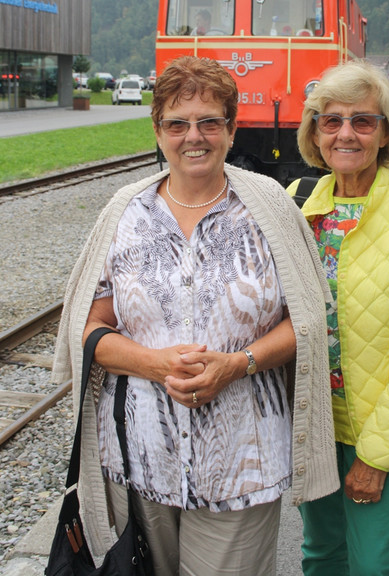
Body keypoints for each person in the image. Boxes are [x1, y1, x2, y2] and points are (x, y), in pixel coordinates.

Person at [52, 55, 339, 576]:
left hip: (243, 463)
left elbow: (309, 319)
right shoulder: (125, 212)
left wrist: (238, 363)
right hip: (138, 460)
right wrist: (153, 363)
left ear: (231, 129)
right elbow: (88, 328)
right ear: (158, 131)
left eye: (210, 121)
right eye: (177, 123)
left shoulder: (269, 207)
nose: (194, 136)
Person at [288, 61, 389, 576]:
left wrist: (377, 455)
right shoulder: (298, 208)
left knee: (373, 567)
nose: (346, 133)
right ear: (314, 133)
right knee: (320, 558)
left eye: (364, 121)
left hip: (385, 433)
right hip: (315, 430)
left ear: (385, 134)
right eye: (330, 120)